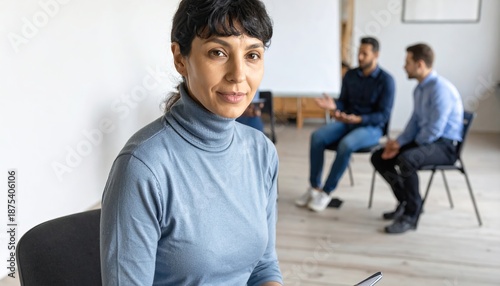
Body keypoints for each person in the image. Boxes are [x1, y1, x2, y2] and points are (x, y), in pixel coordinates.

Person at [99, 0, 283, 285]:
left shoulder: (262, 152)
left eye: (252, 55)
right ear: (180, 58)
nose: (238, 74)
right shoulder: (143, 167)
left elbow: (264, 267)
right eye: (218, 52)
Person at [371, 43, 464, 234]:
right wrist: (399, 143)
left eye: (408, 62)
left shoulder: (440, 89)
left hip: (445, 146)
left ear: (420, 64)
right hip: (429, 140)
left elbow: (434, 129)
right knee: (379, 157)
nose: (404, 66)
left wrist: (405, 148)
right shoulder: (420, 89)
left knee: (407, 159)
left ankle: (412, 215)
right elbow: (414, 123)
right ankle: (405, 201)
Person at [295, 37, 395, 212]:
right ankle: (314, 188)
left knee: (346, 144)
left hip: (371, 127)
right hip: (347, 122)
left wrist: (360, 119)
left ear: (376, 55)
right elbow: (343, 102)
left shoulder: (387, 81)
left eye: (365, 54)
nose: (360, 57)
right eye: (359, 53)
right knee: (317, 136)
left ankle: (326, 192)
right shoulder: (350, 75)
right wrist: (334, 106)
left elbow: (383, 115)